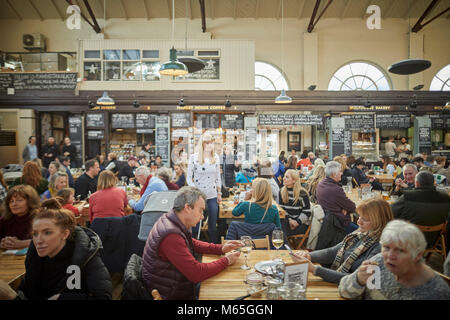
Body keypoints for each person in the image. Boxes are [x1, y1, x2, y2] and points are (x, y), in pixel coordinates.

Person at [0, 198, 112, 300]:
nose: (38, 240)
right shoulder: (34, 258)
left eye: (47, 232)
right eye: (35, 234)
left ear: (64, 234)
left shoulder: (85, 256)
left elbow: (104, 297)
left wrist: (63, 298)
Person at [141, 187, 242, 300]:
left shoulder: (172, 219)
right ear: (188, 208)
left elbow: (191, 242)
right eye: (201, 210)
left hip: (174, 285)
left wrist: (221, 248)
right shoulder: (171, 235)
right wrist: (226, 260)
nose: (203, 216)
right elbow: (196, 273)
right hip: (171, 293)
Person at [339, 220, 450, 300]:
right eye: (386, 247)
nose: (390, 256)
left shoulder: (435, 292)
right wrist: (358, 280)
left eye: (400, 251)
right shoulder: (379, 264)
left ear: (418, 255)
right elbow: (345, 291)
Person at [290, 198, 393, 284]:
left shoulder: (380, 248)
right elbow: (333, 251)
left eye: (365, 219)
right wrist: (309, 256)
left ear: (379, 222)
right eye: (359, 217)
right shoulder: (360, 234)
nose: (358, 221)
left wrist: (315, 269)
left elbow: (355, 279)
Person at [391, 171, 450, 246]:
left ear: (417, 183)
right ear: (434, 183)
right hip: (433, 240)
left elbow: (390, 212)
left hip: (408, 240)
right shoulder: (446, 197)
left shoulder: (408, 196)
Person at [187, 134, 222, 243]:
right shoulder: (194, 157)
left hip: (212, 195)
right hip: (198, 196)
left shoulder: (216, 157)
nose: (209, 145)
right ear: (202, 144)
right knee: (196, 224)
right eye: (206, 142)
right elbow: (189, 178)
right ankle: (194, 247)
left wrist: (219, 192)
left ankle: (213, 248)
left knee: (212, 225)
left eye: (211, 142)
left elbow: (218, 177)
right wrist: (195, 192)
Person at [316, 161, 357, 234]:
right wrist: (345, 209)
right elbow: (352, 207)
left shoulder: (321, 184)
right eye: (340, 171)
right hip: (338, 225)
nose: (342, 173)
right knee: (365, 233)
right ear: (334, 175)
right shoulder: (335, 189)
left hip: (328, 222)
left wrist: (344, 208)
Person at [0, 185, 40, 250]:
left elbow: (49, 240)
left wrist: (21, 243)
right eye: (11, 201)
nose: (14, 204)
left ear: (30, 201)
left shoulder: (40, 218)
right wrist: (3, 243)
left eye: (19, 200)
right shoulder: (5, 219)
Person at [278, 169, 311, 237]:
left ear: (294, 180)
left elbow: (307, 212)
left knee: (280, 229)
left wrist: (297, 222)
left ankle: (282, 245)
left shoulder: (302, 193)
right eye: (284, 176)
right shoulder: (281, 191)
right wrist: (290, 220)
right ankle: (283, 244)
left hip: (300, 223)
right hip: (287, 221)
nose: (284, 178)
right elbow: (282, 209)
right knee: (277, 224)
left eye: (287, 177)